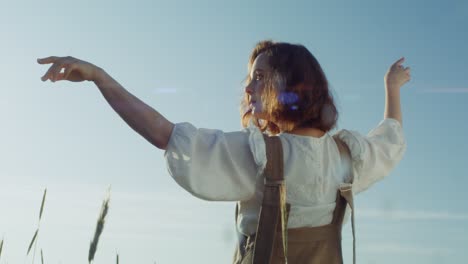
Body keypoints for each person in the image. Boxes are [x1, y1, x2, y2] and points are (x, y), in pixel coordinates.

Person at [38, 40, 410, 262]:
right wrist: (391, 88)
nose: (249, 88)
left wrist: (100, 78)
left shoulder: (261, 156)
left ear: (292, 84)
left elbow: (164, 134)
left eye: (260, 77)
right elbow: (390, 140)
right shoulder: (350, 155)